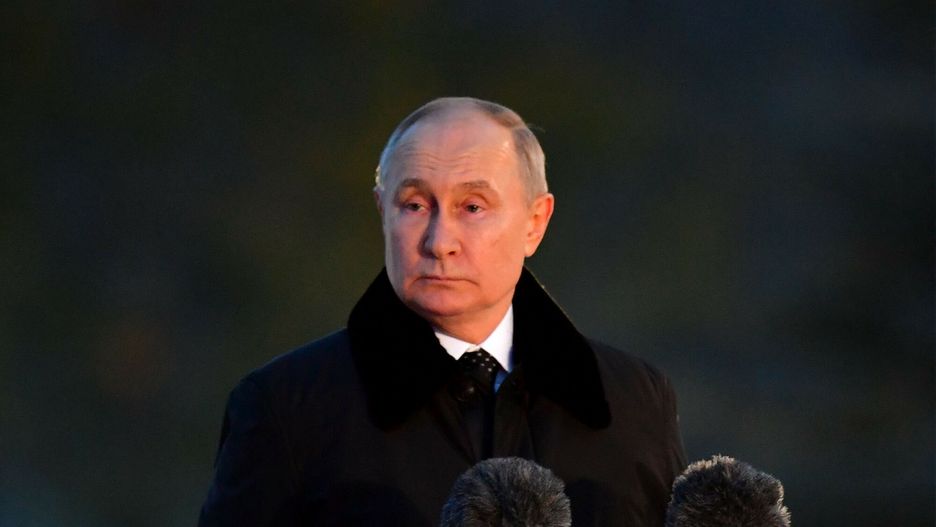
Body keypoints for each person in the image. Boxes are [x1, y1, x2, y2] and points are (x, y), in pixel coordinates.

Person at [199, 97, 687, 527]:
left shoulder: (634, 401)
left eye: (472, 207)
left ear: (535, 223)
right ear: (381, 211)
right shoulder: (287, 408)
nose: (439, 242)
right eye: (414, 205)